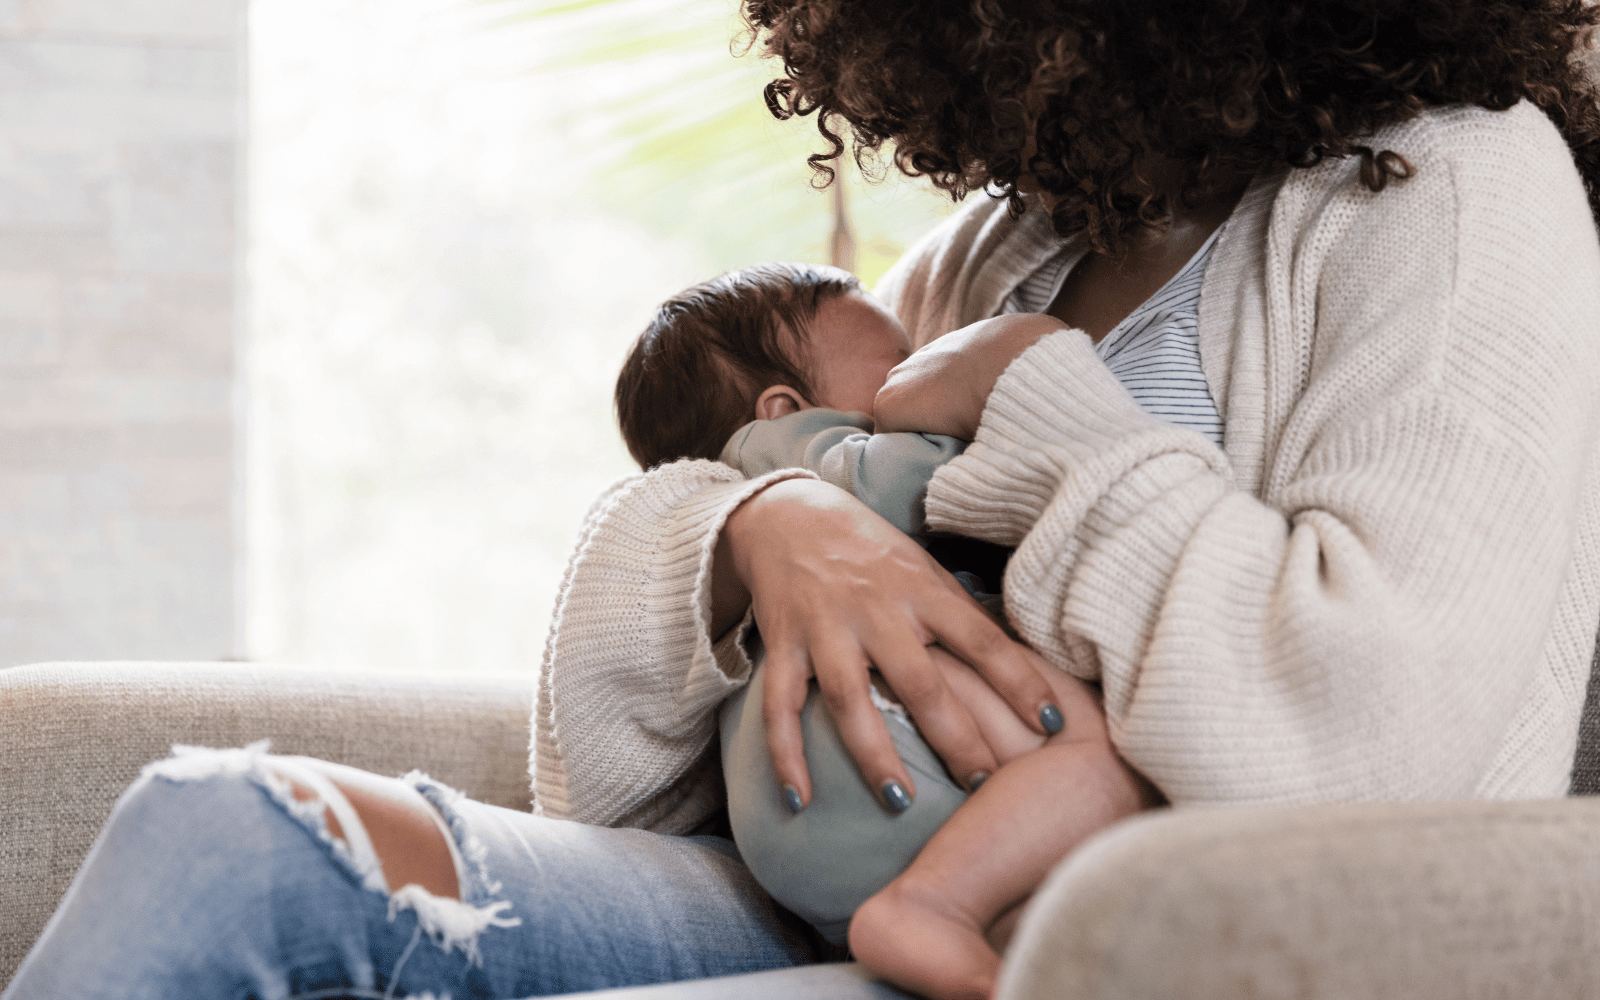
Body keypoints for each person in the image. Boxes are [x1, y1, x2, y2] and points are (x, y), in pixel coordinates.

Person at [6, 3, 1599, 999]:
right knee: (222, 836)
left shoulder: (1452, 182)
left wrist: (1043, 395)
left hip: (1077, 940)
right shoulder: (1008, 241)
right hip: (823, 894)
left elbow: (1371, 747)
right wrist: (761, 535)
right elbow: (607, 773)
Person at [611, 260, 1160, 984]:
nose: (917, 378)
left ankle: (947, 924)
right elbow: (912, 481)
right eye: (902, 366)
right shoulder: (789, 455)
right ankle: (929, 905)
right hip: (858, 749)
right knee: (1115, 763)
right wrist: (994, 379)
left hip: (792, 818)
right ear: (782, 408)